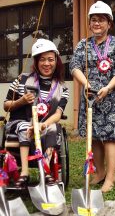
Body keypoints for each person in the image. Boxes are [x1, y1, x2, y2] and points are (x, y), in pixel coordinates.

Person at [70, 1, 115, 192]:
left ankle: (111, 178)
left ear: (109, 24)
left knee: (111, 137)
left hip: (111, 98)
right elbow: (74, 66)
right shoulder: (83, 45)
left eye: (101, 20)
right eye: (93, 20)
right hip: (90, 99)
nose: (97, 24)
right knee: (94, 136)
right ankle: (100, 173)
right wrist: (86, 84)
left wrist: (107, 88)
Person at [4, 38, 69, 188]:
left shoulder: (62, 88)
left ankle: (45, 171)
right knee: (25, 126)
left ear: (56, 61)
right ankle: (24, 173)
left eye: (51, 59)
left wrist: (42, 125)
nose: (47, 63)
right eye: (42, 60)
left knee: (54, 128)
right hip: (19, 122)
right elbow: (6, 105)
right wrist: (21, 101)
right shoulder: (22, 79)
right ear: (36, 61)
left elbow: (58, 115)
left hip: (44, 124)